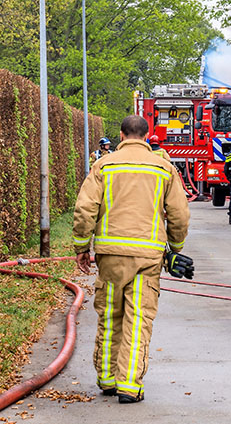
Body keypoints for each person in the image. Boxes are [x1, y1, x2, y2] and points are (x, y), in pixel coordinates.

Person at [73, 114, 193, 404]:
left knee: (110, 315)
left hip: (109, 255)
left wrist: (81, 246)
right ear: (147, 135)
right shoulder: (164, 168)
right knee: (137, 319)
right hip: (147, 258)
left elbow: (85, 208)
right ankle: (129, 386)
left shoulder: (103, 165)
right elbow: (179, 213)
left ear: (121, 134)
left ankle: (107, 378)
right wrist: (175, 249)